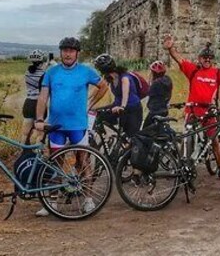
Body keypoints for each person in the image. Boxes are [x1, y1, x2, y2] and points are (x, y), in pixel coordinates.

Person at [34, 36, 108, 216]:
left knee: (82, 162)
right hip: (56, 125)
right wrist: (39, 119)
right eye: (65, 50)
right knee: (54, 163)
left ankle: (88, 200)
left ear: (77, 53)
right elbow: (43, 96)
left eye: (71, 51)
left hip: (78, 125)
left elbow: (103, 86)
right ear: (61, 52)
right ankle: (52, 202)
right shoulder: (52, 73)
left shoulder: (85, 71)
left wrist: (89, 104)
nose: (68, 54)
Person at [163, 34, 220, 194]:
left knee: (215, 140)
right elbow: (179, 59)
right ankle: (183, 167)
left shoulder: (217, 73)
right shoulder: (193, 70)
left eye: (209, 58)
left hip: (210, 111)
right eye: (204, 58)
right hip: (193, 111)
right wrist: (170, 49)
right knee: (187, 139)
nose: (207, 60)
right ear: (199, 59)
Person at [91, 54, 143, 137]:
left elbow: (125, 95)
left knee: (130, 137)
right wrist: (89, 103)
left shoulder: (124, 78)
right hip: (117, 105)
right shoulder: (109, 78)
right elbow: (98, 89)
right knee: (97, 114)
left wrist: (122, 107)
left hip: (132, 108)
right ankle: (103, 137)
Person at [21, 49, 47, 144]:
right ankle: (37, 153)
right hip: (39, 103)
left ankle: (23, 151)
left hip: (28, 103)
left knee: (25, 132)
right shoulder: (44, 74)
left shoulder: (27, 72)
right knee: (40, 133)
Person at [143, 60, 173, 128]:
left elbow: (147, 93)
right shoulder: (168, 79)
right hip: (164, 110)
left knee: (144, 132)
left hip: (154, 112)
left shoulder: (155, 84)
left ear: (154, 73)